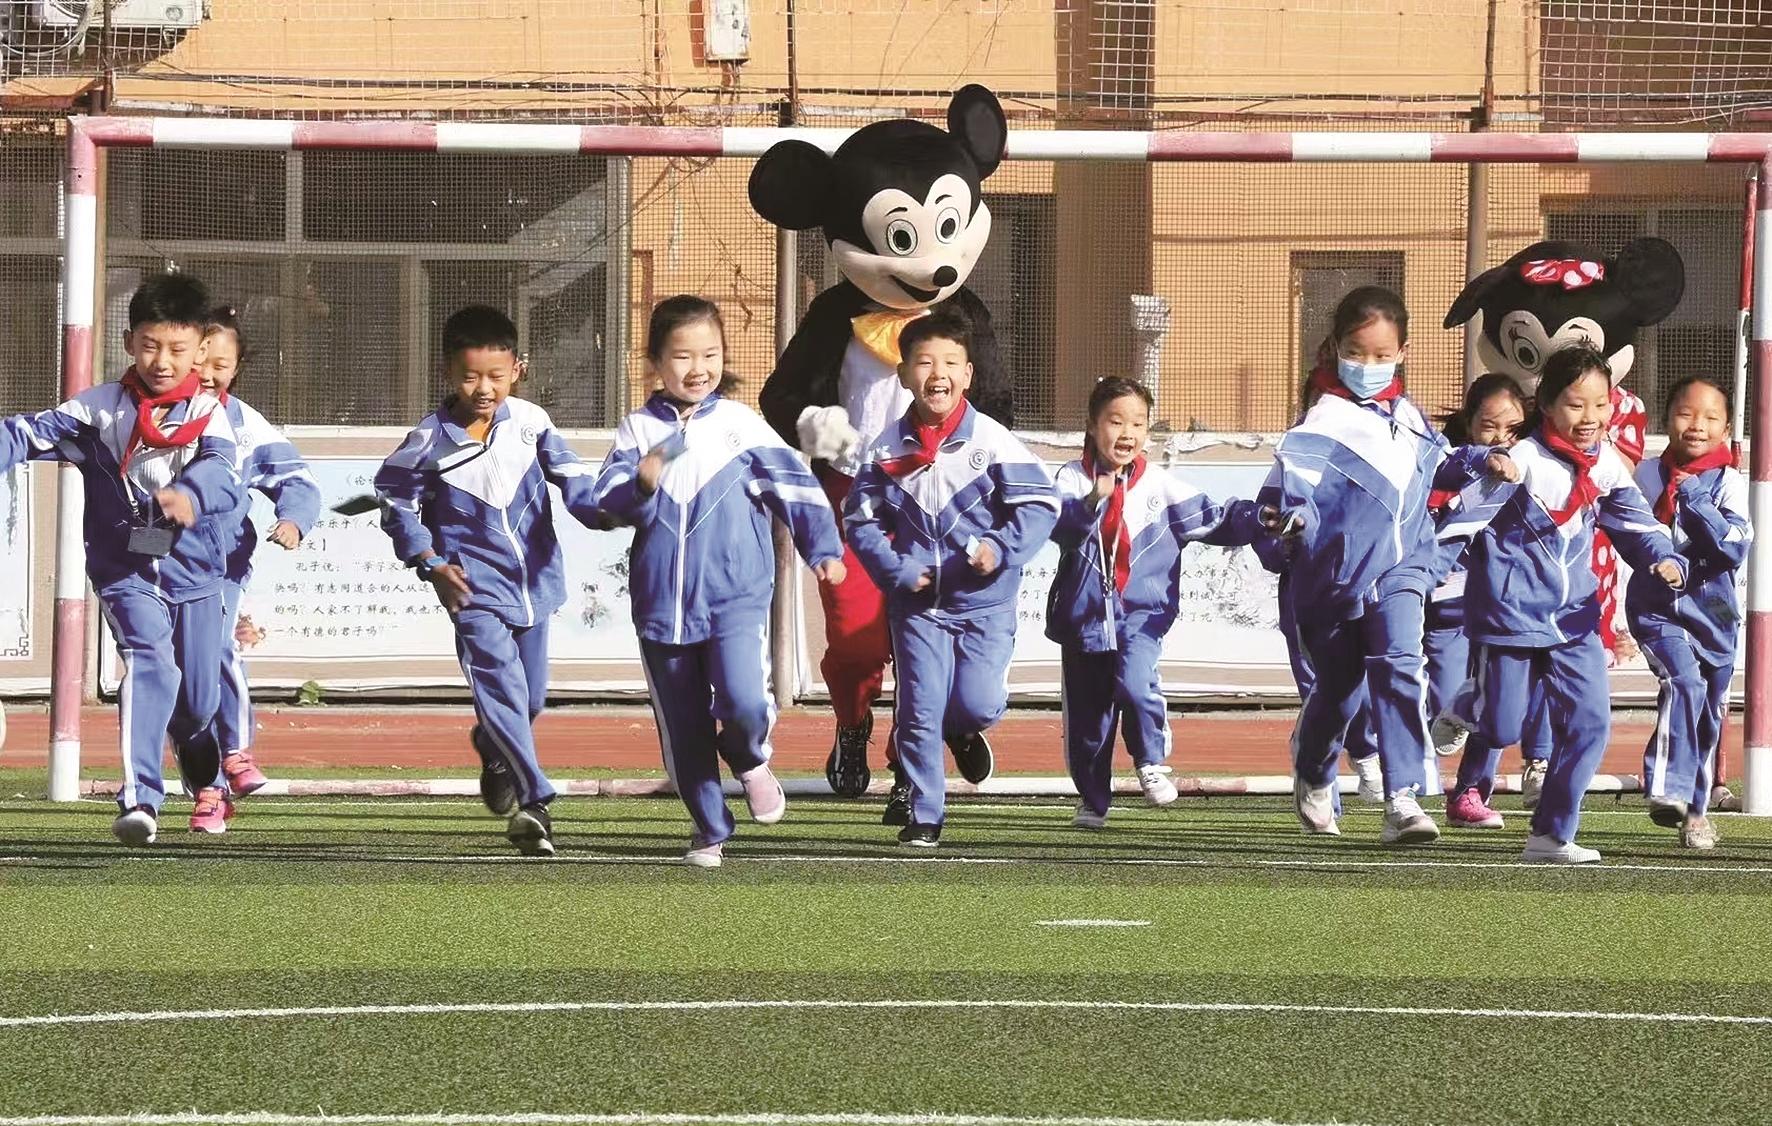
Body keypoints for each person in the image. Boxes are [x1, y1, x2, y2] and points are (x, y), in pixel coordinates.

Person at [592, 295, 845, 869]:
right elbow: (604, 502)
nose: (697, 368)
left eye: (710, 354)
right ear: (656, 360)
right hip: (661, 609)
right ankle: (709, 827)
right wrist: (641, 483)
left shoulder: (741, 426)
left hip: (736, 599)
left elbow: (796, 488)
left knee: (744, 700)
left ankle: (749, 756)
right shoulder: (637, 430)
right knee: (683, 729)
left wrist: (824, 550)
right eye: (682, 356)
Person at [0, 272, 242, 845]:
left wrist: (191, 495)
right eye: (151, 346)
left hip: (197, 574)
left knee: (197, 707)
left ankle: (199, 758)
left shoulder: (213, 413)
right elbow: (22, 434)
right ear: (130, 342)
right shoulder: (98, 409)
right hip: (124, 571)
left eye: (177, 349)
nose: (163, 361)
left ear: (200, 350)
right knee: (149, 660)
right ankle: (140, 799)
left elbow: (224, 474)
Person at [1261, 286, 1505, 844]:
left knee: (1400, 666)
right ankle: (1314, 766)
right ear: (1334, 348)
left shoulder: (1408, 416)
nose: (1367, 365)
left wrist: (1481, 460)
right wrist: (1289, 523)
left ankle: (1403, 800)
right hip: (1332, 582)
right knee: (1340, 691)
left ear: (1403, 353)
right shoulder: (1321, 423)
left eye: (1380, 355)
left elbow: (1439, 467)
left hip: (1402, 571)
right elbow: (1287, 498)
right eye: (1355, 352)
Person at [373, 305, 605, 857]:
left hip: (537, 587)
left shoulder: (532, 421)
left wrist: (616, 506)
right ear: (448, 372)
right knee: (502, 689)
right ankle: (535, 802)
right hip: (471, 591)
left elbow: (575, 482)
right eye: (470, 376)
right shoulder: (428, 440)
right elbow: (394, 502)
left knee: (530, 700)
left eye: (496, 376)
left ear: (517, 369)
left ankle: (493, 747)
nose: (483, 389)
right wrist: (431, 562)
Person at [1440, 345, 1685, 863]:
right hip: (1510, 619)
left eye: (1601, 404)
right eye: (1576, 404)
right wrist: (1421, 575)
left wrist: (1663, 557)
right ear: (1547, 405)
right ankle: (1467, 705)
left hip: (1575, 620)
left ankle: (1551, 835)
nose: (1591, 417)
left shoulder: (1606, 464)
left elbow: (1634, 522)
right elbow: (1456, 519)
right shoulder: (1521, 462)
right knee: (1502, 727)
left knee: (1591, 724)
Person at [844, 307, 1059, 847]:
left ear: (967, 374)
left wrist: (1000, 549)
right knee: (919, 709)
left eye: (949, 362)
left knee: (978, 703)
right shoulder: (885, 448)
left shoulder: (993, 442)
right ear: (903, 374)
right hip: (917, 608)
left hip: (985, 604)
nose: (936, 373)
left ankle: (962, 730)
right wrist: (896, 569)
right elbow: (860, 521)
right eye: (923, 362)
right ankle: (925, 814)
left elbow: (1041, 504)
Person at [1048, 376, 1284, 827]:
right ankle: (1093, 799)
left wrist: (1257, 518)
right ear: (1092, 426)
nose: (1127, 433)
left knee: (1135, 684)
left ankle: (1151, 759)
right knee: (1089, 719)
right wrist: (1092, 500)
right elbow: (1061, 528)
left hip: (1142, 614)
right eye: (1115, 421)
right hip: (1084, 619)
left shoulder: (1161, 485)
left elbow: (1215, 519)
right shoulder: (1071, 478)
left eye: (1138, 423)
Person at [192, 303, 322, 826]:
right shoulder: (147, 417)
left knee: (217, 647)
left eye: (220, 365)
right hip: (156, 569)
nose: (207, 374)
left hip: (220, 564)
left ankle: (234, 755)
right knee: (176, 679)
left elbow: (298, 482)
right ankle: (204, 787)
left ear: (237, 368)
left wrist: (293, 520)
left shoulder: (248, 426)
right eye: (199, 360)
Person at [1628, 376, 1749, 849]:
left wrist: (1695, 496)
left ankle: (1696, 810)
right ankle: (1666, 787)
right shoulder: (1645, 476)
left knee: (1708, 714)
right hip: (1657, 609)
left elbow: (1731, 548)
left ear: (1726, 429)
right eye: (1685, 413)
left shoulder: (1730, 483)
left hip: (1716, 611)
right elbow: (1629, 531)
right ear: (1667, 419)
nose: (1697, 425)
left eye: (1710, 417)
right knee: (1683, 683)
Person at [1427, 374, 1550, 829]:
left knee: (1499, 696)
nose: (1501, 439)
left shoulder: (1530, 467)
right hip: (1443, 602)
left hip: (1501, 604)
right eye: (1489, 426)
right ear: (1468, 423)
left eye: (1512, 429)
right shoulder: (1447, 464)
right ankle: (1391, 767)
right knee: (1448, 701)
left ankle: (1470, 793)